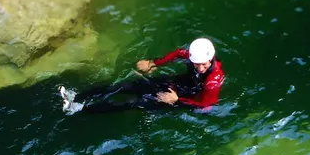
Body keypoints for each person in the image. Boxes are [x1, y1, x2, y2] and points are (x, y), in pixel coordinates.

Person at [59, 38, 225, 114]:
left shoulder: (213, 81)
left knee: (131, 102)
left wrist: (176, 101)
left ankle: (80, 108)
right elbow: (177, 53)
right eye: (197, 64)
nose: (201, 68)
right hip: (177, 83)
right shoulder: (193, 56)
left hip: (181, 97)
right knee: (125, 86)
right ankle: (76, 95)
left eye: (205, 64)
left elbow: (205, 105)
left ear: (210, 58)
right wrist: (153, 63)